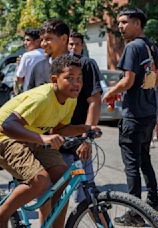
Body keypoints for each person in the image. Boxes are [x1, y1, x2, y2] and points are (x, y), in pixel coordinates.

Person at [0, 55, 99, 228]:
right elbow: (7, 126)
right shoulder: (43, 97)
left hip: (31, 136)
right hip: (3, 137)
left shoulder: (71, 98)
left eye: (79, 78)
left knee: (65, 178)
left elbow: (59, 130)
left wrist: (84, 129)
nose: (76, 83)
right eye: (69, 78)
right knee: (40, 180)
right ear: (55, 79)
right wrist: (43, 138)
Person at [102, 7, 158, 225]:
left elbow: (127, 81)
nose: (120, 26)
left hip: (134, 116)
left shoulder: (132, 47)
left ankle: (135, 213)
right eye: (118, 22)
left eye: (125, 22)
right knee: (144, 159)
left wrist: (110, 91)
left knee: (131, 164)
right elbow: (156, 77)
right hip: (148, 113)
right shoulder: (151, 45)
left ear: (137, 24)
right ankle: (154, 202)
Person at [62, 31, 102, 203]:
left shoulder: (87, 64)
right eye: (70, 44)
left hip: (78, 136)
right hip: (58, 135)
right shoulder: (58, 64)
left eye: (76, 44)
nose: (73, 47)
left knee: (86, 191)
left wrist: (86, 137)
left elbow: (95, 100)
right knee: (56, 192)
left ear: (82, 46)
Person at [27, 19, 69, 90]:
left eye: (48, 39)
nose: (43, 44)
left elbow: (92, 99)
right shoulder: (38, 68)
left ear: (63, 39)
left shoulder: (84, 65)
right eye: (42, 40)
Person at [15, 28, 45, 93]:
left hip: (30, 93)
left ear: (37, 41)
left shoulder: (27, 56)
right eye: (24, 40)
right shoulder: (48, 54)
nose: (25, 43)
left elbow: (19, 79)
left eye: (28, 40)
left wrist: (19, 65)